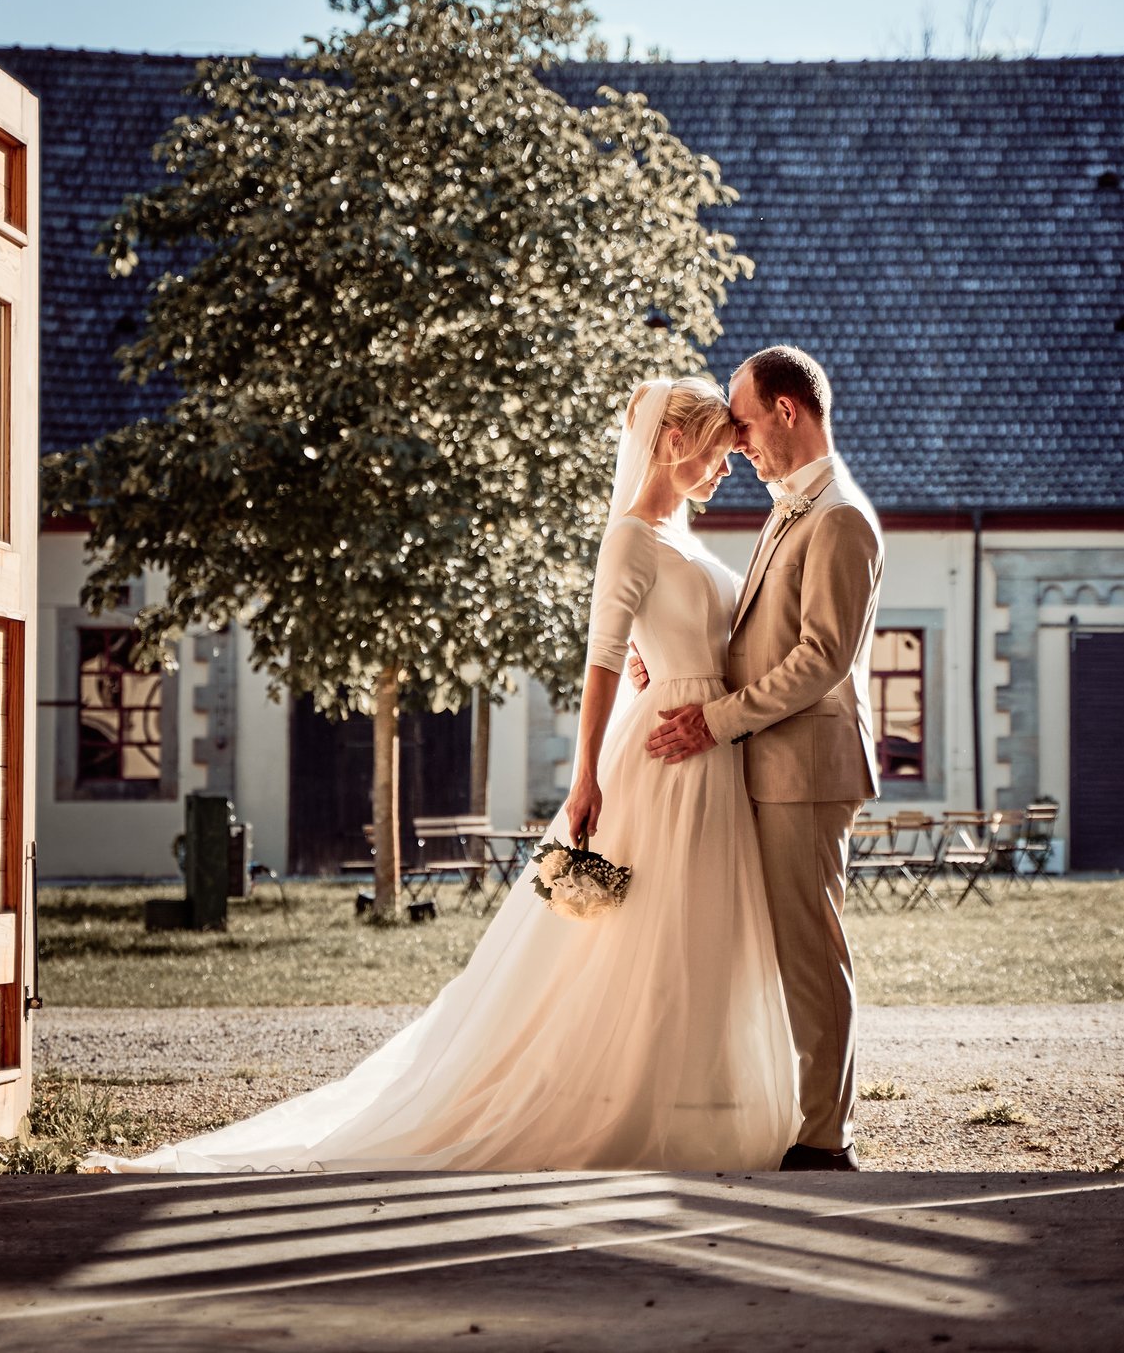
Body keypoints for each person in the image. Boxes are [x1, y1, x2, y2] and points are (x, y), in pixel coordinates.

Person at [90, 377, 799, 1172]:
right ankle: (621, 1103)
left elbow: (680, 636)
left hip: (710, 751)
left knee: (700, 932)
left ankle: (697, 1102)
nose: (727, 465)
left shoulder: (686, 541)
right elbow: (600, 661)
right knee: (635, 941)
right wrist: (584, 776)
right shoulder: (631, 536)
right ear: (674, 445)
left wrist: (671, 662)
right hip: (663, 761)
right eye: (715, 449)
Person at [646, 346, 884, 1171]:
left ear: (788, 410)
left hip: (804, 770)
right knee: (778, 948)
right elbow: (754, 636)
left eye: (745, 420)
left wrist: (713, 719)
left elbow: (821, 659)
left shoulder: (841, 519)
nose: (737, 440)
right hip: (765, 764)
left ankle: (827, 1136)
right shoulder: (791, 510)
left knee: (811, 952)